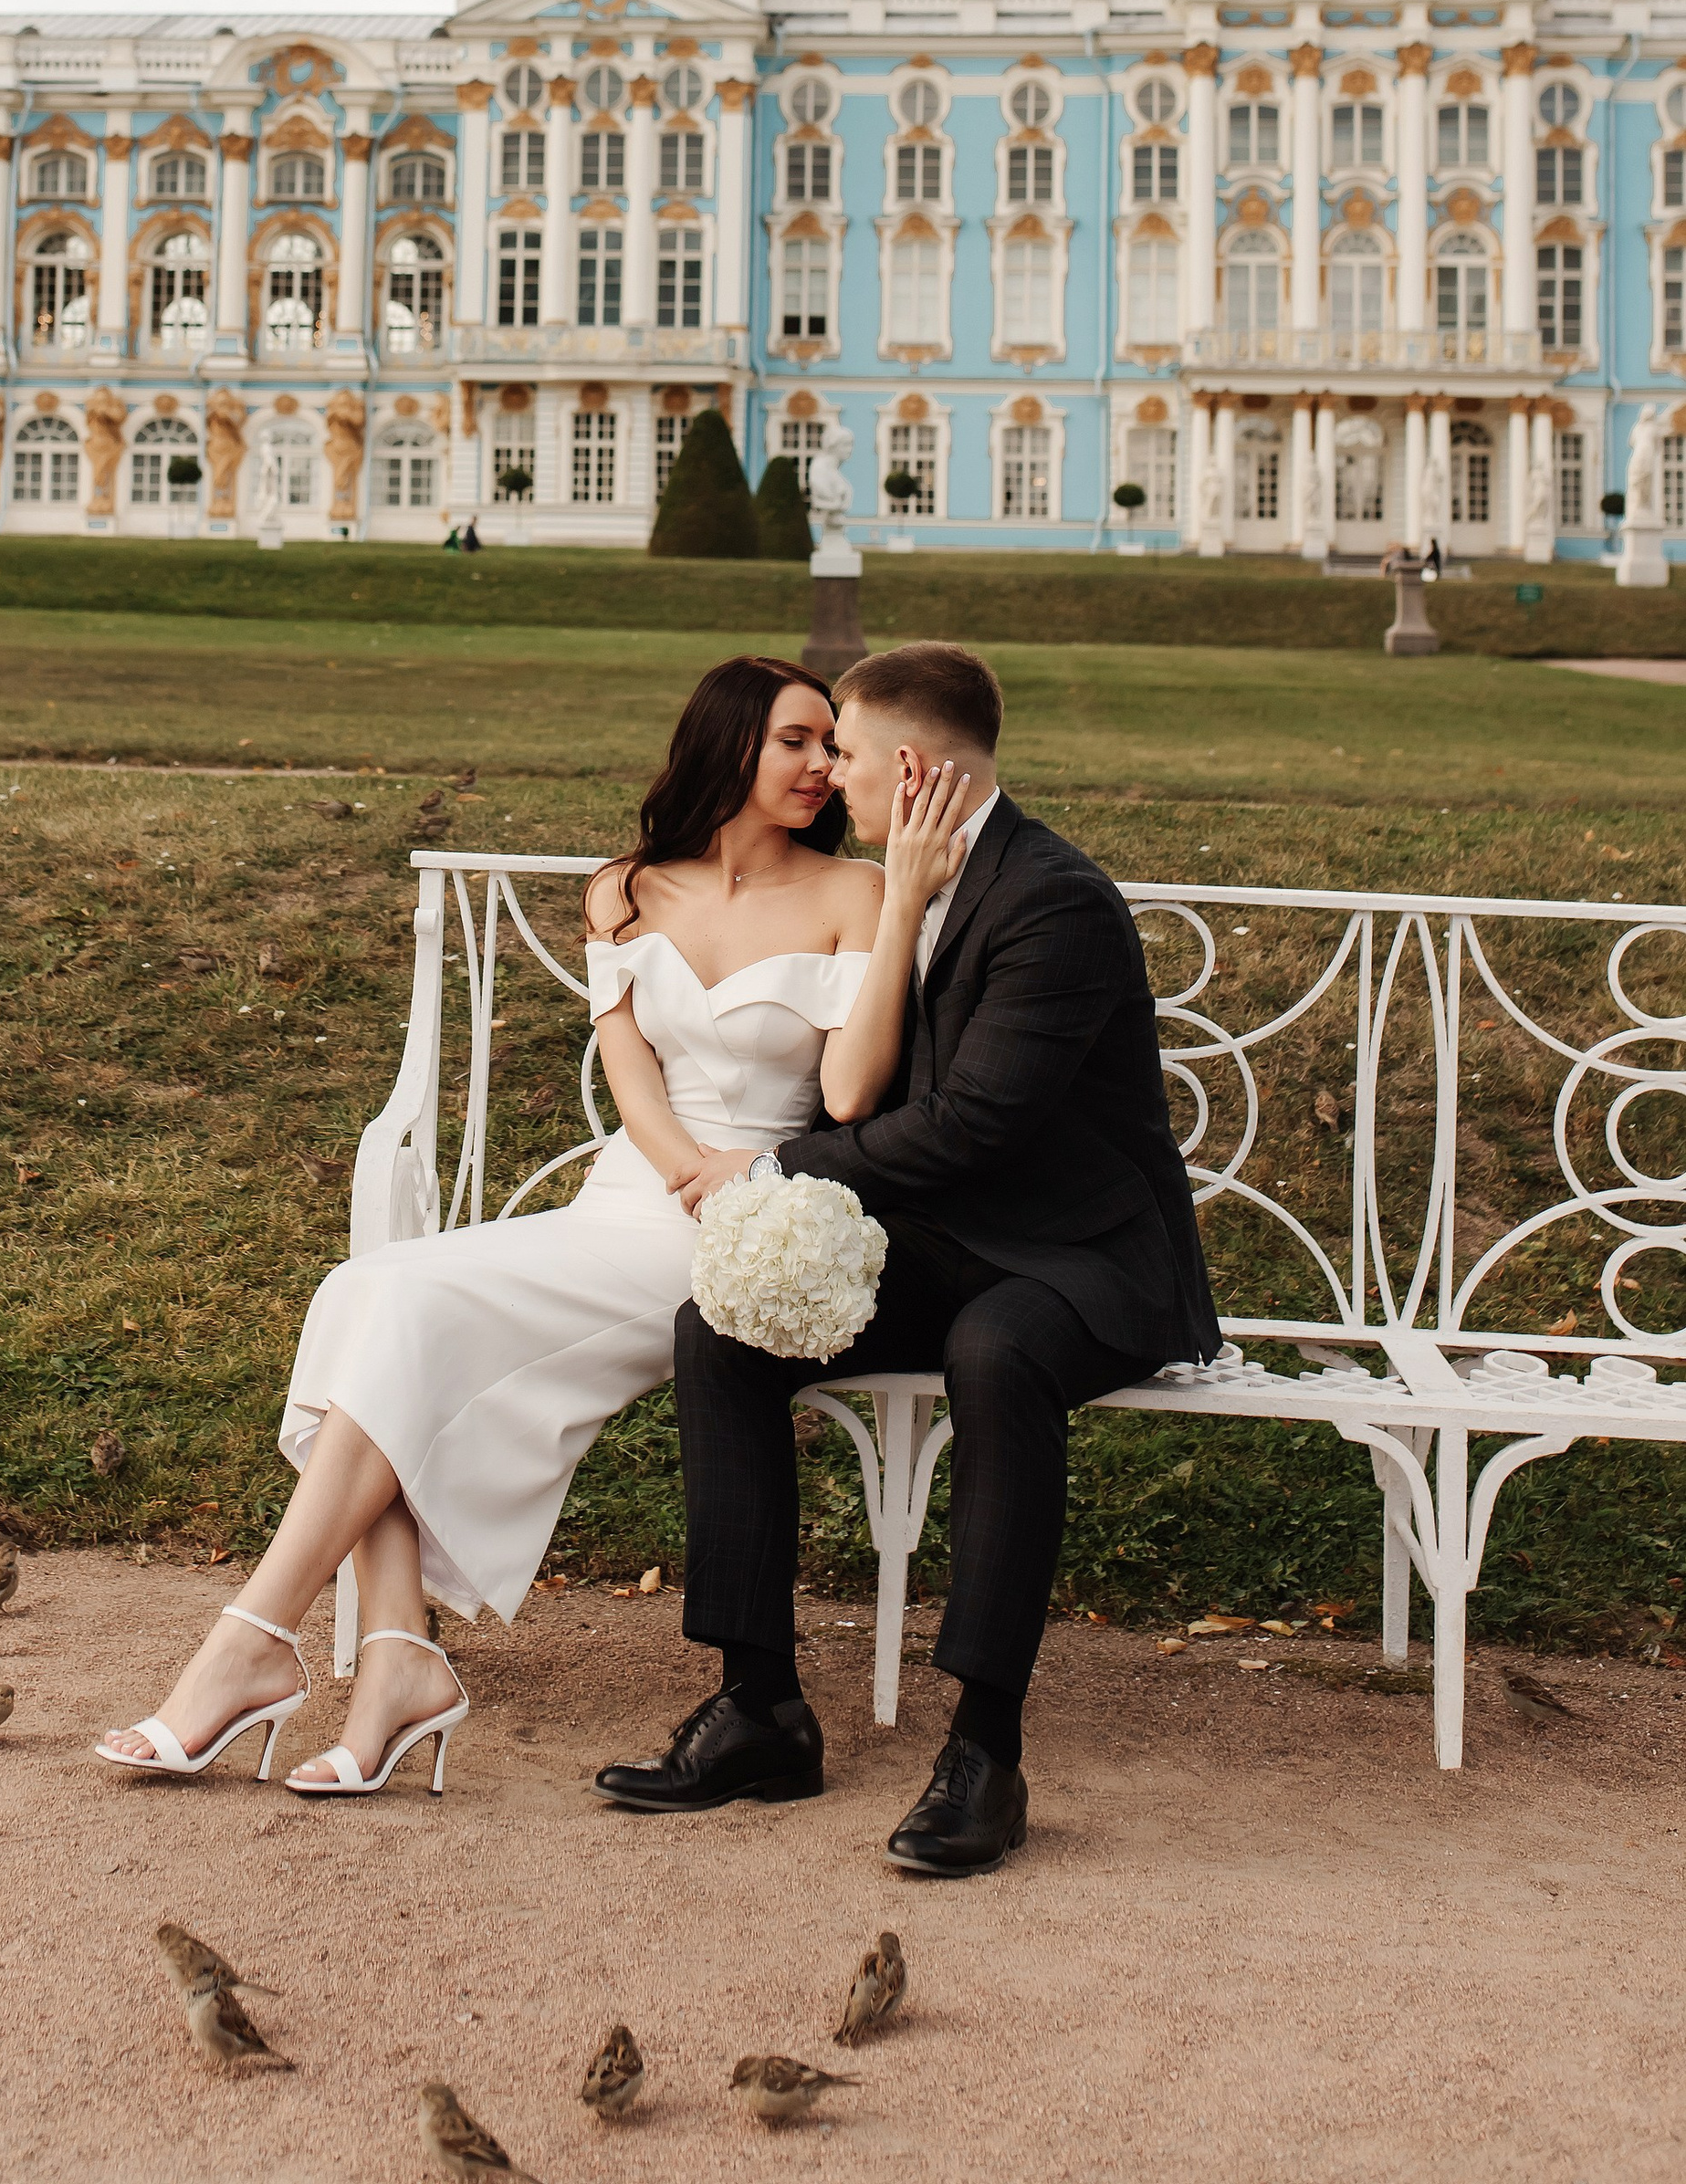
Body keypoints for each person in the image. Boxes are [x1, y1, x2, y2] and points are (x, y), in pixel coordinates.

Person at [90, 656, 976, 1799]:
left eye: (828, 746)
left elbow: (851, 1096)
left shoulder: (855, 894)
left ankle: (261, 1643)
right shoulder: (621, 889)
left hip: (747, 1218)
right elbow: (632, 1080)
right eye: (795, 742)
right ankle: (392, 1659)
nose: (821, 767)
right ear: (725, 747)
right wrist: (677, 1168)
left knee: (402, 1309)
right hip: (635, 1194)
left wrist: (902, 899)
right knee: (365, 1291)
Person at [596, 639, 1220, 1878]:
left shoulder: (1051, 897)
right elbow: (866, 1091)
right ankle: (759, 1708)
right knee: (721, 1328)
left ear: (915, 765)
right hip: (958, 1240)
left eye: (849, 751)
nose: (832, 773)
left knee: (997, 1355)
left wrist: (768, 1170)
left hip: (1090, 1260)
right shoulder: (910, 882)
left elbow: (975, 1123)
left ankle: (985, 1755)